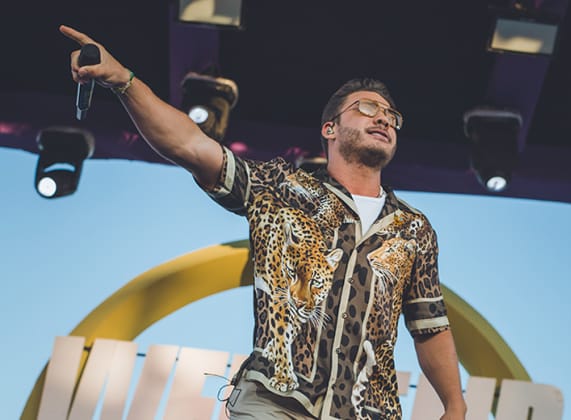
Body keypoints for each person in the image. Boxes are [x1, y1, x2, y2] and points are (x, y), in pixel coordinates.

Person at [60, 25, 466, 420]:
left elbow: (429, 325)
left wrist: (456, 406)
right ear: (330, 129)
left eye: (391, 115)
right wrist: (123, 80)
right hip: (275, 399)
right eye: (367, 108)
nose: (384, 119)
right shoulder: (281, 187)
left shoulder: (412, 229)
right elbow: (189, 145)